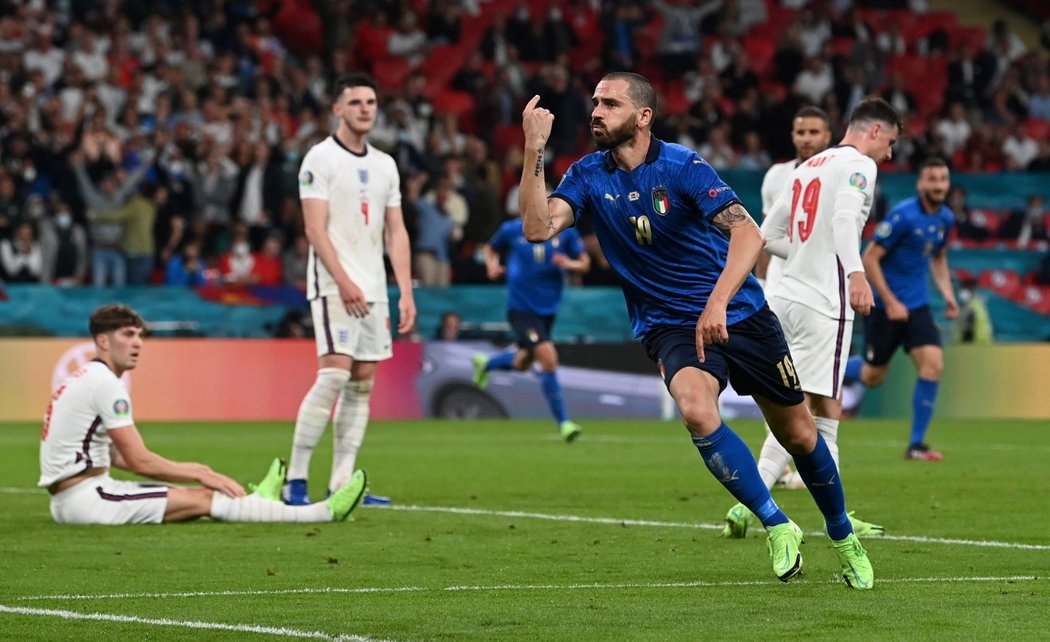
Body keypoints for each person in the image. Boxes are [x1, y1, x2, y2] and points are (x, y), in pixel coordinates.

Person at [520, 72, 873, 588]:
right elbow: (535, 227)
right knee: (695, 408)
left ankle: (843, 535)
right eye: (595, 102)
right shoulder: (587, 175)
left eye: (610, 103)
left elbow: (748, 236)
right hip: (669, 324)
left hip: (742, 314)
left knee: (798, 433)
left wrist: (718, 302)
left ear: (643, 116)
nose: (596, 111)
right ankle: (777, 523)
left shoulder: (682, 165)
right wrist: (533, 148)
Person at [726, 98, 904, 540]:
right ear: (876, 131)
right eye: (892, 142)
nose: (891, 154)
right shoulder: (861, 165)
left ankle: (833, 508)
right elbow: (845, 220)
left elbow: (769, 235)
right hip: (825, 302)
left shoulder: (806, 167)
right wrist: (856, 273)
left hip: (784, 298)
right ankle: (760, 502)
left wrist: (809, 252)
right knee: (808, 408)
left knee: (824, 405)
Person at [39, 304, 367, 525]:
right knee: (205, 497)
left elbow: (112, 456)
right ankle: (322, 513)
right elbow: (138, 461)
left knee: (196, 500)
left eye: (140, 335)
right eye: (128, 335)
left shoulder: (83, 377)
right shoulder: (106, 385)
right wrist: (200, 470)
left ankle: (258, 500)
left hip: (72, 498)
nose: (137, 343)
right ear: (102, 341)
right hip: (88, 499)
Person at [286, 73, 416, 507]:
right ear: (337, 109)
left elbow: (396, 232)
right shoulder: (319, 159)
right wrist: (343, 282)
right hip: (334, 285)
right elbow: (313, 228)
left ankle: (340, 483)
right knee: (334, 375)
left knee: (361, 384)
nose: (365, 108)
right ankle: (297, 481)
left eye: (371, 102)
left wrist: (405, 292)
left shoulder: (385, 164)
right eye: (356, 102)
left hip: (375, 290)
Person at [844, 157, 959, 461]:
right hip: (885, 307)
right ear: (921, 183)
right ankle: (829, 366)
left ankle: (916, 445)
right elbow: (869, 258)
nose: (938, 185)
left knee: (933, 365)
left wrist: (947, 294)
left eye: (943, 179)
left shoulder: (946, 218)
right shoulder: (902, 217)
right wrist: (891, 301)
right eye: (932, 179)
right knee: (872, 377)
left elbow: (938, 256)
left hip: (918, 306)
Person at [753, 105, 834, 492]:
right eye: (800, 131)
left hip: (817, 294)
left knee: (810, 393)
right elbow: (766, 235)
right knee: (791, 390)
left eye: (814, 132)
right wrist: (757, 286)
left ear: (827, 136)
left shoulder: (836, 174)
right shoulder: (777, 176)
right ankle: (781, 470)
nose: (806, 138)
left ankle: (784, 468)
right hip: (780, 294)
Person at [472, 208, 590, 442]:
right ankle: (564, 423)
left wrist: (569, 264)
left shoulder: (564, 233)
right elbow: (490, 248)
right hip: (521, 309)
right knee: (548, 357)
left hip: (547, 310)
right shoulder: (512, 229)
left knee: (522, 361)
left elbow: (585, 263)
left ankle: (487, 364)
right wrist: (491, 266)